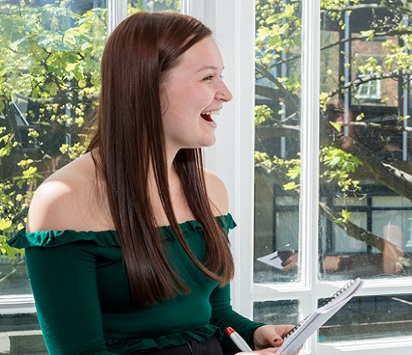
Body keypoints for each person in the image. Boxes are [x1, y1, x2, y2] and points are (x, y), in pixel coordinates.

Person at [10, 12, 296, 355]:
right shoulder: (63, 199)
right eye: (208, 77)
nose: (226, 94)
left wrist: (258, 333)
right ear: (146, 84)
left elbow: (214, 315)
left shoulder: (211, 190)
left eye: (221, 76)